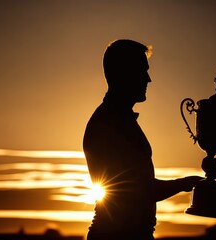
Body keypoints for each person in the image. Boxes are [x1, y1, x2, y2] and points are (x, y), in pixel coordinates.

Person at [83, 39, 203, 240]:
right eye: (142, 70)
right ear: (124, 74)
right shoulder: (108, 124)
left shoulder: (118, 120)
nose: (148, 79)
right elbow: (135, 191)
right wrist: (182, 183)